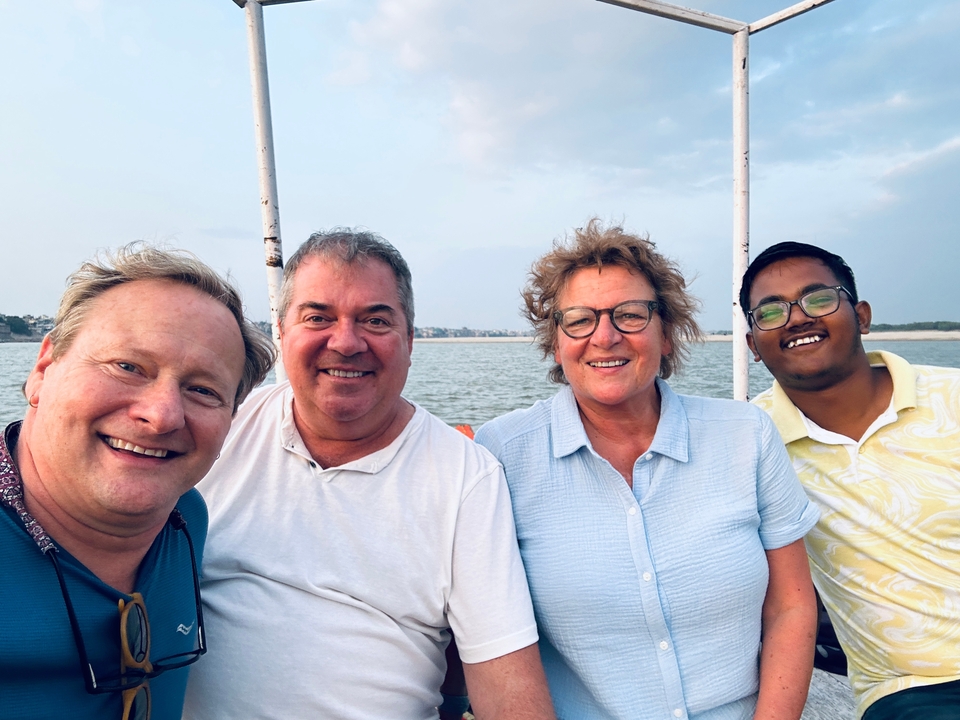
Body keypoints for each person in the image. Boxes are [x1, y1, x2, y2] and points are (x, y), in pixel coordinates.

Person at [182, 228, 555, 720]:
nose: (345, 342)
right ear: (281, 331)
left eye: (375, 320)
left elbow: (507, 684)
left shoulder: (465, 476)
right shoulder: (220, 426)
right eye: (318, 317)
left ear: (409, 340)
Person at [474, 219, 820, 720]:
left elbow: (790, 606)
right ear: (556, 342)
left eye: (631, 314)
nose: (605, 336)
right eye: (579, 320)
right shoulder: (502, 454)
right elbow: (490, 632)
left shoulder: (746, 435)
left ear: (667, 334)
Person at [0, 244, 276, 720]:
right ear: (44, 370)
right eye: (128, 367)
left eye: (203, 390)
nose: (162, 415)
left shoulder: (185, 517)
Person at [740, 241, 960, 720]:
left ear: (860, 315)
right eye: (771, 312)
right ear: (754, 346)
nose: (797, 318)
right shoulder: (747, 442)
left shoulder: (953, 397)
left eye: (818, 299)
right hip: (914, 688)